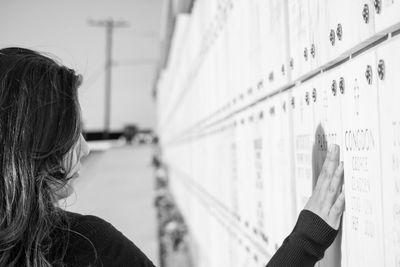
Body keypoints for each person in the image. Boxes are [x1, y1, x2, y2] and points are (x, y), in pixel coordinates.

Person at [0, 47, 344, 267]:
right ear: (36, 143)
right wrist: (308, 239)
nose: (86, 148)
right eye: (73, 130)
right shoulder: (85, 247)